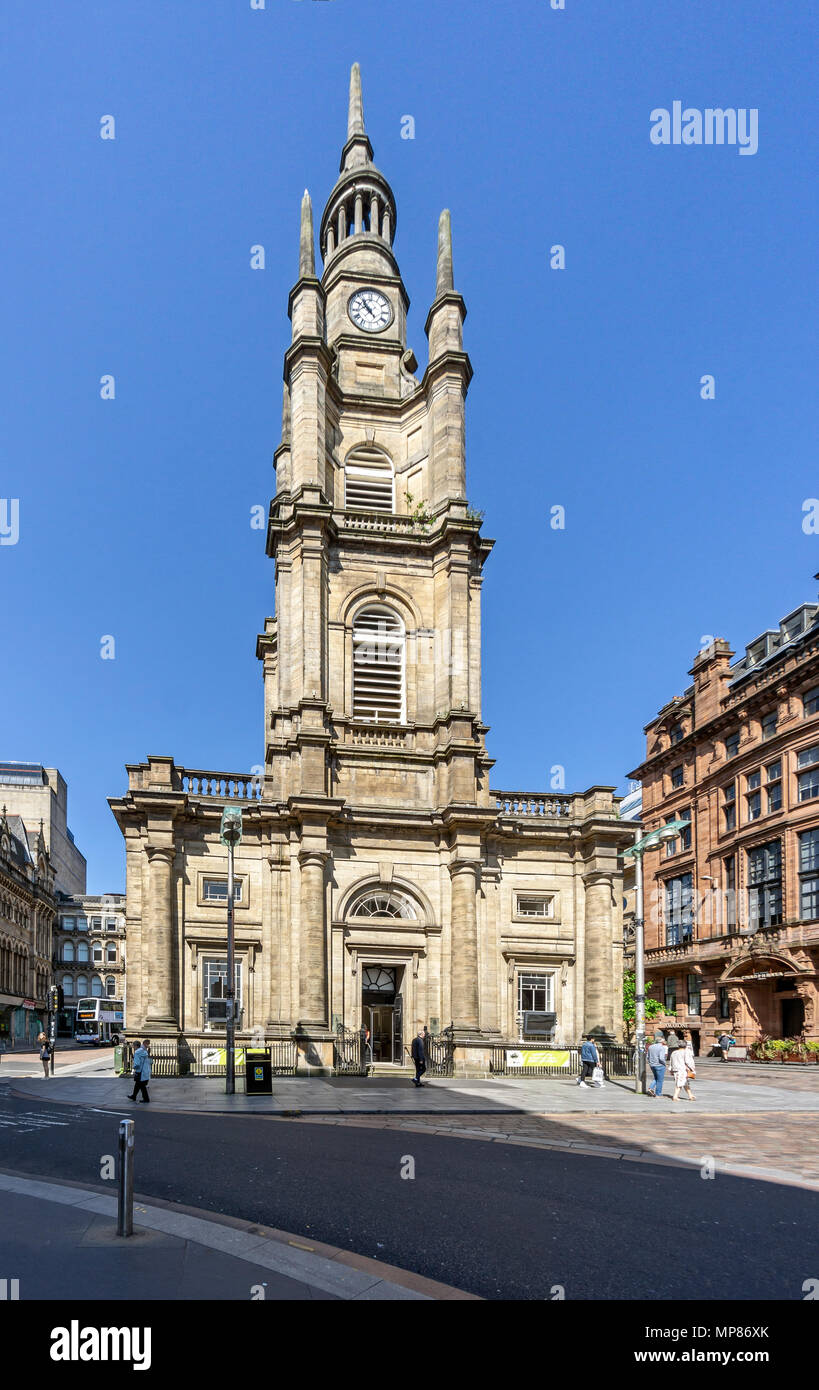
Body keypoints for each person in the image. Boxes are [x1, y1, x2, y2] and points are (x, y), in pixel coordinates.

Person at [671, 1030, 695, 1102]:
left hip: (675, 1069)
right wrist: (692, 1069)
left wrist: (671, 1069)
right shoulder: (686, 1052)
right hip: (682, 1070)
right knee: (680, 1083)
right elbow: (688, 1061)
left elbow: (671, 1061)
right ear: (685, 1045)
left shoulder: (674, 1052)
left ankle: (691, 1095)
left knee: (685, 1083)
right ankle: (675, 1096)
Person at [646, 1033, 668, 1098]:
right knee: (660, 1080)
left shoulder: (650, 1047)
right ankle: (658, 1094)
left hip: (652, 1065)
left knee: (656, 1078)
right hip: (659, 1065)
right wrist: (664, 1063)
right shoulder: (662, 1048)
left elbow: (647, 1056)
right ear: (661, 1041)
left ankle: (650, 1088)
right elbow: (661, 1058)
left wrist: (650, 1062)